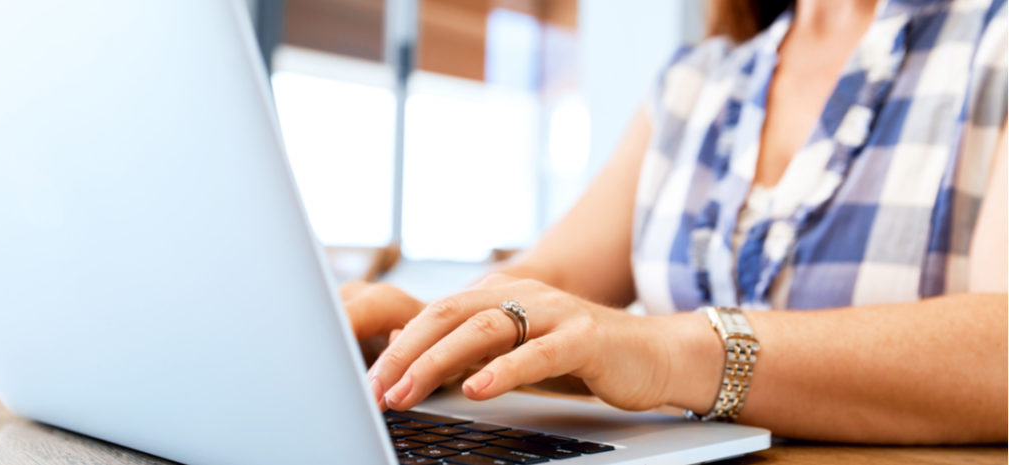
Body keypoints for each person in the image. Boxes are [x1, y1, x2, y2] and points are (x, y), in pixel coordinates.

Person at [341, 0, 1008, 443]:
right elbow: (549, 278)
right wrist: (438, 330)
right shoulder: (696, 84)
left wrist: (667, 351)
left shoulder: (991, 44)